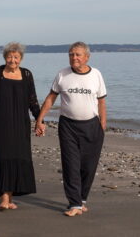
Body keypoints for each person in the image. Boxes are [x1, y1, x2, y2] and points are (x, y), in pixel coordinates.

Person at [35, 41, 107, 217]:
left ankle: (82, 200)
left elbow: (102, 102)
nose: (74, 57)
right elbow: (51, 98)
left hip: (92, 126)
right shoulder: (62, 74)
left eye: (77, 54)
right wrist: (39, 119)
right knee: (71, 165)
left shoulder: (96, 75)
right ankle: (74, 203)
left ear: (86, 57)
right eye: (71, 54)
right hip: (68, 126)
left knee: (88, 166)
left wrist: (102, 127)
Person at [0, 42, 40, 210]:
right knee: (2, 158)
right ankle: (4, 199)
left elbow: (33, 101)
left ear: (21, 58)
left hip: (21, 125)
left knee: (17, 158)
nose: (13, 60)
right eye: (10, 56)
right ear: (5, 57)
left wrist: (39, 119)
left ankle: (10, 198)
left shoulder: (27, 75)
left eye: (16, 57)